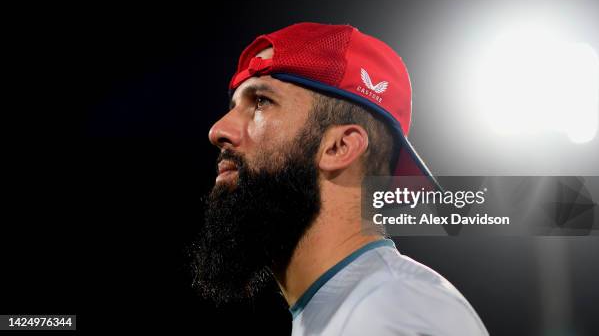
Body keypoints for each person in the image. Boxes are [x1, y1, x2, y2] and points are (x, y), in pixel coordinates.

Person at [193, 22, 488, 335]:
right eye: (233, 106)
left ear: (339, 147)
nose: (218, 130)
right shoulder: (354, 306)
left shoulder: (395, 312)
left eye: (261, 102)